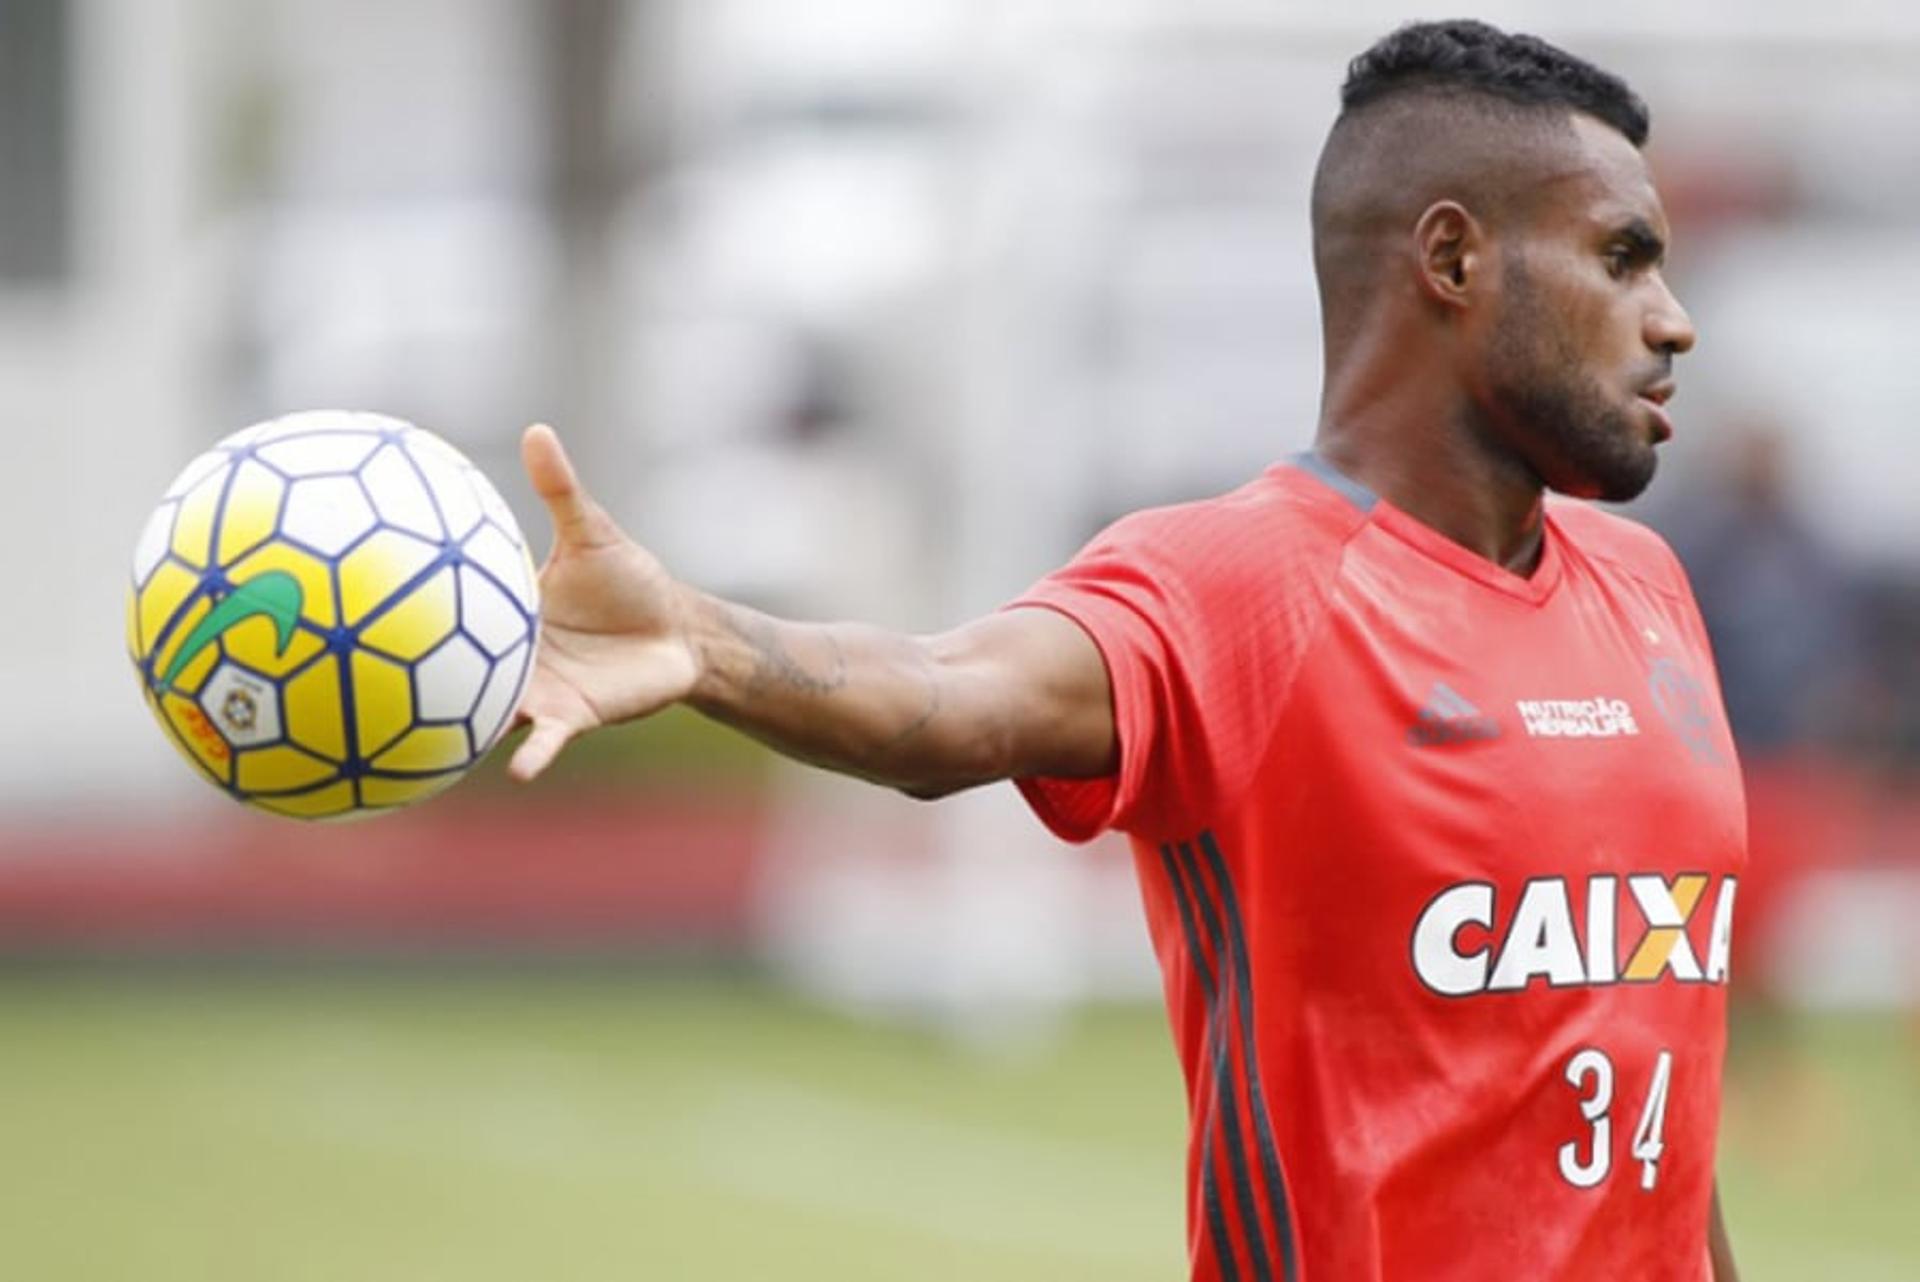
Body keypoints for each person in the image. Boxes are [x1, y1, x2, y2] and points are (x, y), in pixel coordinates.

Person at [508, 19, 1742, 1282]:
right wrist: (697, 639)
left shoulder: (1645, 588)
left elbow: (1663, 1110)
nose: (1673, 321)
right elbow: (947, 701)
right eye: (1623, 258)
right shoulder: (1240, 585)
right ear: (1451, 258)